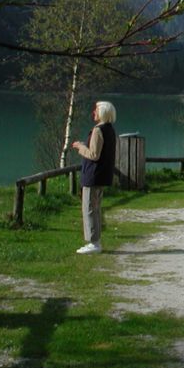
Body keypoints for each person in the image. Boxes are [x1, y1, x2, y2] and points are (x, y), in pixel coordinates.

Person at [71, 100, 117, 254]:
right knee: (96, 209)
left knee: (89, 208)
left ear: (102, 112)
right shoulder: (110, 129)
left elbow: (94, 154)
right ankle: (95, 241)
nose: (94, 113)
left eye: (96, 110)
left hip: (93, 175)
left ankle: (93, 242)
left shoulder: (98, 130)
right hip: (102, 175)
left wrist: (80, 147)